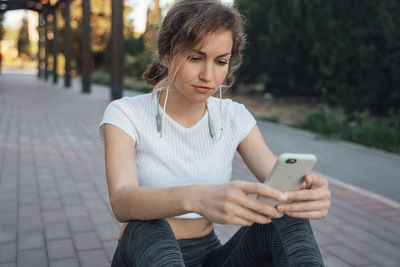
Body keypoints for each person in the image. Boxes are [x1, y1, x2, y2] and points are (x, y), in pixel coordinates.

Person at [99, 0, 331, 266]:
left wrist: (307, 193)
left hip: (210, 254)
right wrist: (195, 197)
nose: (208, 75)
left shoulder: (233, 116)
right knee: (148, 225)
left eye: (220, 61)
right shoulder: (125, 113)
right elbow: (122, 202)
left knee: (287, 216)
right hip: (144, 252)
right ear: (166, 55)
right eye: (195, 58)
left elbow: (279, 184)